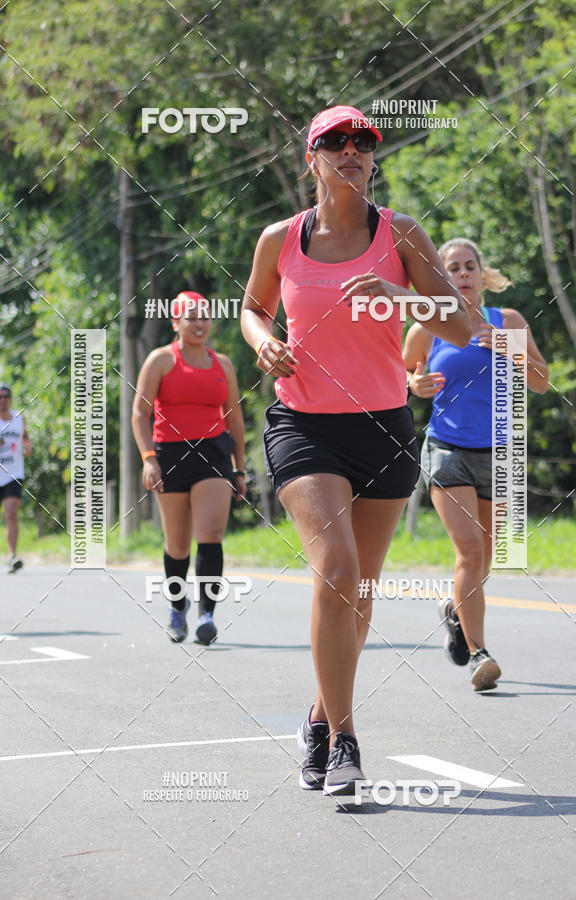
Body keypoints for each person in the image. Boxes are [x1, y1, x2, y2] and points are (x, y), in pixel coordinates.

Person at [240, 105, 471, 797]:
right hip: (304, 424)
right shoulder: (280, 239)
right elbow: (253, 308)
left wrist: (406, 295)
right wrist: (262, 342)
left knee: (360, 591)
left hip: (385, 427)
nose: (351, 151)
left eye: (363, 142)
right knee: (337, 569)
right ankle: (344, 741)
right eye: (335, 142)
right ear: (311, 158)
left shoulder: (400, 233)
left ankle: (318, 714)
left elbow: (461, 325)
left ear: (373, 158)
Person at [404, 238, 549, 691]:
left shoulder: (508, 322)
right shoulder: (426, 327)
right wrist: (416, 384)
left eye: (470, 266)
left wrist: (511, 349)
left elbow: (542, 382)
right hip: (447, 450)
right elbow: (403, 379)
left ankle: (453, 611)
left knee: (484, 558)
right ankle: (480, 655)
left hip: (500, 451)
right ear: (442, 277)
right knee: (468, 550)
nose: (463, 273)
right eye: (453, 267)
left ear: (481, 274)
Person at [132, 292, 246, 645]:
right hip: (170, 455)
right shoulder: (161, 361)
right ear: (176, 323)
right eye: (191, 317)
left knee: (210, 532)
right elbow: (140, 413)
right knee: (178, 544)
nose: (199, 323)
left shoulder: (223, 364)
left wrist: (239, 469)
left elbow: (235, 418)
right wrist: (148, 458)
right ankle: (177, 607)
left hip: (213, 454)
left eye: (204, 317)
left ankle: (206, 615)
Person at [0, 384, 32, 573]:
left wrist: (27, 445)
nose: (3, 399)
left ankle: (12, 555)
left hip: (13, 473)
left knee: (11, 514)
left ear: (10, 398)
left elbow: (25, 436)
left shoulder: (19, 418)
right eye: (0, 397)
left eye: (6, 396)